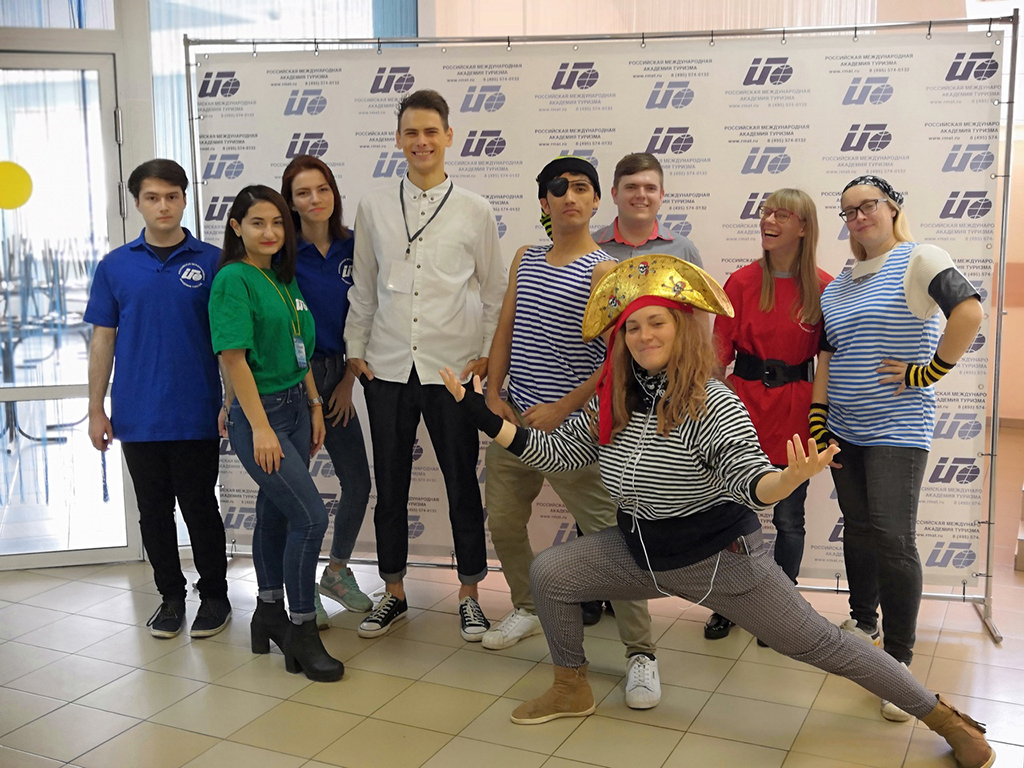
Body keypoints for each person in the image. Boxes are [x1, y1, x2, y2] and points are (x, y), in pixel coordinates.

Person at [439, 254, 994, 768]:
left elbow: (750, 479)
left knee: (821, 644)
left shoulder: (711, 401)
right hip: (642, 552)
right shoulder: (616, 399)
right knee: (552, 572)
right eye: (632, 327)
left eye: (656, 322)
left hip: (722, 561)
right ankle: (570, 686)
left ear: (681, 329)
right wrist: (480, 414)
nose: (643, 335)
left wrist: (786, 480)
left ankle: (943, 717)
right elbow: (557, 454)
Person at [482, 156, 659, 709]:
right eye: (558, 189)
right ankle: (527, 606)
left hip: (575, 432)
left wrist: (565, 408)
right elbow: (507, 326)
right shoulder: (525, 257)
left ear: (596, 200)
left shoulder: (606, 271)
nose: (569, 197)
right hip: (515, 421)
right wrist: (493, 393)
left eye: (581, 187)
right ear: (545, 202)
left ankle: (641, 653)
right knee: (504, 521)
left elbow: (616, 358)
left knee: (611, 539)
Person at [813, 175, 984, 721]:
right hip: (844, 425)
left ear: (892, 208)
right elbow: (827, 356)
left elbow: (969, 312)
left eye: (868, 205)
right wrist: (818, 415)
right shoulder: (840, 282)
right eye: (848, 211)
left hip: (897, 426)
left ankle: (899, 661)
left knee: (893, 538)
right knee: (859, 529)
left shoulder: (919, 258)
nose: (858, 216)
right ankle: (864, 623)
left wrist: (928, 371)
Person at [345, 89, 506, 642]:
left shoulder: (475, 209)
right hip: (387, 367)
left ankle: (470, 594)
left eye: (431, 131)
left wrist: (486, 354)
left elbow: (494, 290)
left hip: (452, 372)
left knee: (462, 483)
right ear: (397, 139)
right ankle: (392, 591)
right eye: (411, 132)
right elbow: (364, 285)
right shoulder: (373, 206)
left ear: (448, 137)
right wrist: (355, 348)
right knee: (389, 486)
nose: (421, 141)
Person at [85, 159, 230, 640]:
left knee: (200, 508)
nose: (163, 206)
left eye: (171, 196)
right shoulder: (115, 266)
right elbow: (103, 340)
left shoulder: (214, 262)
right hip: (137, 416)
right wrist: (96, 409)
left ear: (185, 199)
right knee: (153, 514)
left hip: (196, 411)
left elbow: (230, 343)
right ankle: (171, 597)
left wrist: (229, 401)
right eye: (152, 197)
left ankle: (215, 597)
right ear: (137, 203)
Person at [209, 184, 343, 683]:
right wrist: (260, 427)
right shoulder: (233, 279)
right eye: (257, 223)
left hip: (294, 407)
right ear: (236, 227)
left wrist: (314, 403)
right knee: (310, 518)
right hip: (261, 414)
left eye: (278, 223)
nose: (270, 232)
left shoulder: (281, 279)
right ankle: (302, 629)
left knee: (275, 512)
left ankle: (267, 612)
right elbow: (234, 359)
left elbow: (298, 348)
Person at [705, 188, 832, 643]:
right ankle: (728, 606)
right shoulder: (740, 282)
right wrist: (714, 413)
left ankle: (782, 609)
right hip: (741, 411)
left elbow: (828, 363)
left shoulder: (824, 287)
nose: (769, 220)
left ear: (804, 227)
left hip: (796, 414)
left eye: (782, 214)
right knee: (731, 518)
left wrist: (822, 421)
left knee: (788, 519)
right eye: (766, 212)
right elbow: (717, 359)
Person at [281, 155, 374, 628]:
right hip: (293, 379)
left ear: (334, 193)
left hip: (339, 374)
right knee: (296, 496)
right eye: (303, 192)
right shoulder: (282, 253)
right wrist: (314, 393)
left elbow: (366, 313)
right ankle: (299, 590)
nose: (315, 199)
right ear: (290, 201)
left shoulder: (354, 246)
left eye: (322, 189)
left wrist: (347, 382)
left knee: (358, 481)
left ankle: (336, 572)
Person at [592, 152, 702, 267]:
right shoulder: (591, 248)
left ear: (661, 197)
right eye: (631, 187)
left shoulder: (684, 251)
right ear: (615, 194)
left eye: (650, 188)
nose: (641, 195)